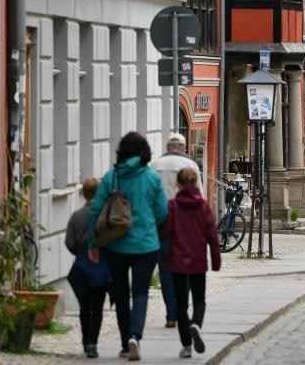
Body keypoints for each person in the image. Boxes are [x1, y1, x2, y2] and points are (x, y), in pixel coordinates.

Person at [88, 132, 167, 361]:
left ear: (121, 151)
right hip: (146, 244)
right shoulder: (152, 178)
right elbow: (162, 211)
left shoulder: (111, 177)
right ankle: (135, 335)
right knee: (141, 292)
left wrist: (93, 243)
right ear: (145, 152)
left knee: (121, 294)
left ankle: (125, 343)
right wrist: (150, 225)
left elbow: (96, 210)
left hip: (116, 244)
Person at [160, 166, 221, 358]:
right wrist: (216, 260)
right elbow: (212, 235)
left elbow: (166, 232)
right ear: (195, 182)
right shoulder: (203, 206)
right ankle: (196, 324)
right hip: (197, 260)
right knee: (199, 299)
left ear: (178, 183)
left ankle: (186, 345)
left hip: (178, 260)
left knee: (180, 303)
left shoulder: (173, 205)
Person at [150, 133, 204, 328]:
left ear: (167, 146)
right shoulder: (190, 166)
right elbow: (200, 197)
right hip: (185, 224)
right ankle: (182, 307)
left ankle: (171, 314)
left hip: (162, 224)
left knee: (165, 271)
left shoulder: (154, 166)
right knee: (185, 268)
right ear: (183, 147)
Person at [65, 178, 111, 358]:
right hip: (101, 263)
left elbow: (69, 242)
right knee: (97, 307)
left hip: (82, 264)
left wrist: (79, 252)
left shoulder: (76, 216)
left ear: (84, 194)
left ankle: (85, 341)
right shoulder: (105, 215)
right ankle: (93, 343)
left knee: (84, 306)